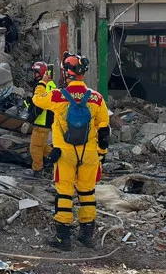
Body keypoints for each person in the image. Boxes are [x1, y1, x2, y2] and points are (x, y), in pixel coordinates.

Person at [32, 52, 109, 251]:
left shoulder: (58, 96)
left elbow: (37, 100)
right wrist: (101, 153)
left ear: (67, 73)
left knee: (64, 193)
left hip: (65, 153)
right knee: (87, 193)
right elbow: (104, 129)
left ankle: (63, 238)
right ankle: (87, 236)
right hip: (89, 153)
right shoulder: (96, 98)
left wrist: (43, 82)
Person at [23, 62, 56, 176]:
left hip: (42, 122)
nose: (33, 75)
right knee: (43, 146)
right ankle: (57, 160)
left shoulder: (43, 86)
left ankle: (37, 170)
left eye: (35, 72)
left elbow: (40, 106)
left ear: (41, 73)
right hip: (46, 122)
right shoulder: (50, 85)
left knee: (35, 148)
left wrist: (29, 119)